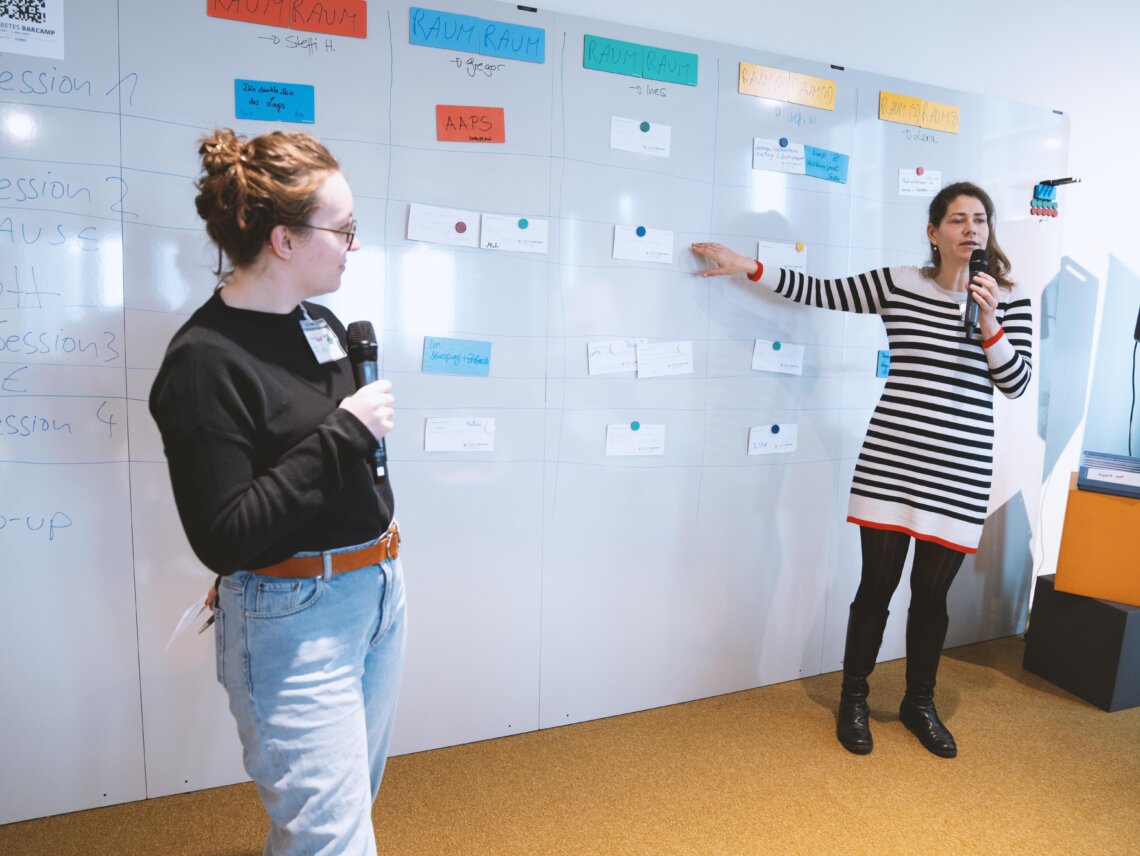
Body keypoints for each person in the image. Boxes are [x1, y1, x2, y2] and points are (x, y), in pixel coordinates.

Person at [691, 182, 1032, 759]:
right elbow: (820, 290)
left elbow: (1015, 382)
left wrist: (990, 319)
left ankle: (917, 703)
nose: (970, 229)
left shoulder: (1008, 297)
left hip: (961, 467)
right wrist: (745, 265)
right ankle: (854, 697)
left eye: (979, 219)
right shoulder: (899, 283)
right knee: (876, 585)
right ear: (934, 232)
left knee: (932, 596)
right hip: (892, 458)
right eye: (956, 220)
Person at [150, 129, 405, 854]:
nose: (353, 245)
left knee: (342, 813)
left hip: (378, 589)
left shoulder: (319, 324)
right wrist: (347, 433)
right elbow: (224, 535)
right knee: (331, 838)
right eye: (344, 229)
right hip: (294, 613)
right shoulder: (204, 362)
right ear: (284, 241)